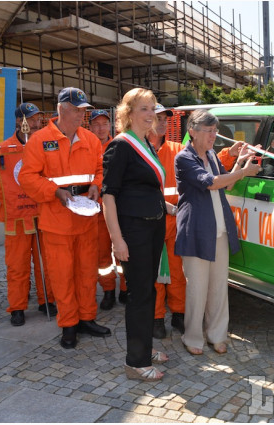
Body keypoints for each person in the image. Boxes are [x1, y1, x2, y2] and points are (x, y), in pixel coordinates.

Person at [19, 87, 111, 349]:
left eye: (83, 111)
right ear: (61, 109)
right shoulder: (39, 140)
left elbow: (100, 169)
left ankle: (86, 318)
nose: (81, 116)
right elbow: (27, 178)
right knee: (62, 275)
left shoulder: (90, 140)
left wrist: (96, 184)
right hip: (56, 220)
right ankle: (68, 325)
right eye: (76, 110)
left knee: (85, 272)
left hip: (86, 219)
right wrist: (54, 192)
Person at [147, 105, 244, 339]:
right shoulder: (143, 150)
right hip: (158, 221)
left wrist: (237, 158)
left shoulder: (179, 149)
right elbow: (208, 179)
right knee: (158, 276)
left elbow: (216, 175)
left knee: (186, 280)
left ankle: (186, 320)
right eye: (157, 119)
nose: (162, 123)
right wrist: (242, 170)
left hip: (183, 221)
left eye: (165, 119)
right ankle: (157, 318)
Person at [174, 109, 260, 355]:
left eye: (215, 131)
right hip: (196, 232)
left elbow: (227, 182)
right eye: (209, 131)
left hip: (220, 231)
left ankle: (217, 335)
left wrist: (242, 161)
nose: (214, 136)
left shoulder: (211, 154)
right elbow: (210, 182)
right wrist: (243, 171)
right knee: (197, 289)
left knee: (219, 287)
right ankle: (192, 338)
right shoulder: (184, 158)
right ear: (193, 131)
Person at [102, 88, 172, 381]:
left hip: (153, 226)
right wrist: (117, 240)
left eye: (153, 108)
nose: (151, 114)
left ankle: (145, 346)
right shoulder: (121, 146)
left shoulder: (147, 143)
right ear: (128, 113)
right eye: (144, 108)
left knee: (148, 290)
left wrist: (165, 206)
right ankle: (136, 362)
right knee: (140, 295)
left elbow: (144, 188)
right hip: (134, 232)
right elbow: (109, 196)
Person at [0, 103, 57, 325]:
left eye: (38, 119)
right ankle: (17, 306)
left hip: (42, 214)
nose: (37, 123)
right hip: (16, 218)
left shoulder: (45, 145)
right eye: (32, 119)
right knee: (17, 264)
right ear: (20, 122)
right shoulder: (3, 150)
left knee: (45, 261)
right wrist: (13, 202)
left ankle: (46, 299)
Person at [89, 109, 127, 310]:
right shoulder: (87, 148)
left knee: (124, 252)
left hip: (120, 209)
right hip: (97, 211)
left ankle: (125, 289)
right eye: (96, 124)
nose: (101, 128)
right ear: (90, 127)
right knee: (102, 257)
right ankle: (108, 290)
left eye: (104, 123)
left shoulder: (119, 145)